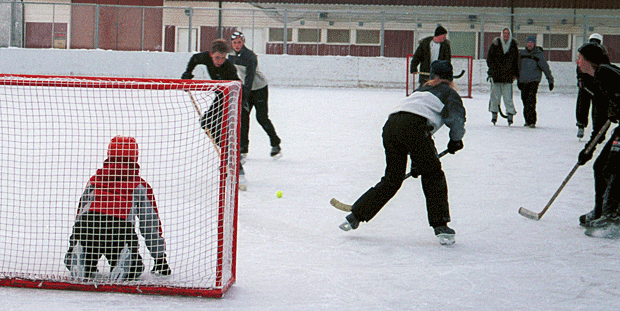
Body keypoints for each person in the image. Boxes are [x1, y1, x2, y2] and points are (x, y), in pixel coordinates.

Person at [339, 60, 466, 245]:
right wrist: (456, 140)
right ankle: (441, 227)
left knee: (392, 179)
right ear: (450, 78)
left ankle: (356, 216)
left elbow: (415, 132)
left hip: (391, 126)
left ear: (432, 77)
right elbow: (455, 118)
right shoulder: (449, 93)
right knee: (433, 174)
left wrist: (417, 163)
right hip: (413, 126)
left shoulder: (419, 91)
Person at [64, 136, 171, 281]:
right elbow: (149, 223)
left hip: (87, 224)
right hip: (119, 228)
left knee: (87, 245)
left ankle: (80, 254)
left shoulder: (95, 180)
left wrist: (77, 234)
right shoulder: (139, 185)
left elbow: (81, 209)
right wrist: (160, 258)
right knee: (133, 268)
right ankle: (126, 261)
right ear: (135, 157)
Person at [181, 39, 247, 187]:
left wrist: (240, 105)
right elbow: (194, 59)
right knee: (206, 124)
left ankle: (234, 162)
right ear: (211, 55)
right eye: (217, 57)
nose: (220, 61)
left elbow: (237, 87)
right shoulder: (204, 57)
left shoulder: (229, 68)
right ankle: (229, 154)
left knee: (222, 130)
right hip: (219, 96)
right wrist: (187, 74)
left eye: (223, 58)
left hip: (230, 99)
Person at [574, 42, 620, 236]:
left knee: (614, 166)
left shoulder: (605, 72)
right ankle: (602, 211)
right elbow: (601, 121)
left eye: (579, 58)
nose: (577, 62)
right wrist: (588, 150)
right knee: (600, 165)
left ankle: (612, 217)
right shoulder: (596, 80)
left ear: (588, 61)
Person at [228, 31, 282, 159]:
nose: (237, 45)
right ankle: (243, 148)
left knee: (261, 117)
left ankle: (275, 143)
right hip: (246, 89)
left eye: (239, 42)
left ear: (243, 42)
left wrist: (244, 95)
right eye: (234, 43)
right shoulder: (230, 55)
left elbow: (250, 78)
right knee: (243, 117)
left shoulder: (250, 56)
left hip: (259, 88)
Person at [575, 33, 610, 139]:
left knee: (585, 106)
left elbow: (580, 66)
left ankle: (583, 126)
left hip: (589, 84)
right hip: (594, 84)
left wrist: (580, 79)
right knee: (596, 109)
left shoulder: (588, 52)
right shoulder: (602, 53)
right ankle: (595, 130)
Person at [517, 35, 554, 128]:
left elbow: (545, 67)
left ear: (534, 44)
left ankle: (532, 121)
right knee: (524, 100)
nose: (529, 44)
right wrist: (518, 79)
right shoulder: (522, 54)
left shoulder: (538, 54)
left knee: (531, 100)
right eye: (528, 42)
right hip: (524, 81)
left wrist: (550, 80)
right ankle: (527, 120)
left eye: (531, 43)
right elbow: (518, 67)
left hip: (534, 81)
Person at [486, 27, 520, 126]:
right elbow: (490, 59)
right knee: (495, 97)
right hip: (496, 76)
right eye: (504, 33)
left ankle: (510, 115)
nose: (506, 35)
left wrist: (515, 74)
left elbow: (516, 61)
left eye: (508, 33)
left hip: (508, 76)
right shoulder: (495, 44)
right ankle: (494, 115)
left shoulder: (513, 46)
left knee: (508, 97)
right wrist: (492, 71)